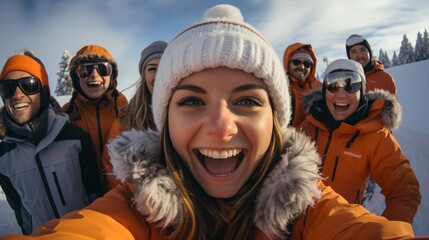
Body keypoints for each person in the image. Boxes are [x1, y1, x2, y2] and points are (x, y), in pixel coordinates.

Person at [2, 4, 415, 239]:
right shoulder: (136, 207)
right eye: (192, 101)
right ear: (164, 121)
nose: (221, 127)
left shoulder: (307, 207)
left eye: (248, 101)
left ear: (278, 121)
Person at [300, 59, 421, 224]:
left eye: (351, 85)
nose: (341, 94)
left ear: (362, 90)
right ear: (324, 90)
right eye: (333, 85)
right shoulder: (310, 125)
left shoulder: (375, 135)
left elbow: (405, 190)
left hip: (343, 228)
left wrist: (383, 233)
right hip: (299, 225)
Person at [0, 51, 102, 234]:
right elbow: (18, 205)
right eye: (8, 88)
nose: (17, 94)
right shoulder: (4, 155)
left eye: (28, 85)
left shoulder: (74, 137)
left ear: (43, 91)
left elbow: (95, 191)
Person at [100, 40, 167, 190]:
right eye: (152, 69)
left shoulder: (190, 110)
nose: (159, 75)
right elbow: (113, 171)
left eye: (165, 67)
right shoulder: (126, 120)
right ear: (144, 76)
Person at [62, 45, 128, 193]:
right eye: (84, 70)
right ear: (75, 77)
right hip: (84, 199)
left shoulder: (126, 110)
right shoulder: (65, 115)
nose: (94, 75)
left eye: (103, 69)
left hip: (122, 197)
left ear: (112, 76)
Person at [283, 42, 322, 128]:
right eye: (296, 62)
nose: (302, 67)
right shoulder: (279, 86)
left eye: (307, 64)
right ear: (288, 63)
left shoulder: (320, 88)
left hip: (314, 139)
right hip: (285, 139)